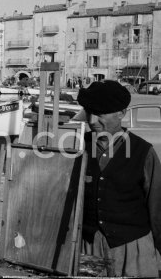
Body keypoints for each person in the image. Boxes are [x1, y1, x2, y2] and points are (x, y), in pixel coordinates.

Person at [76, 80, 161, 277]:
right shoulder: (78, 147)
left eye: (100, 113)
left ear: (121, 113)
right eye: (88, 112)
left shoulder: (143, 152)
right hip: (89, 248)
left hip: (133, 249)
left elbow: (157, 206)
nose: (91, 120)